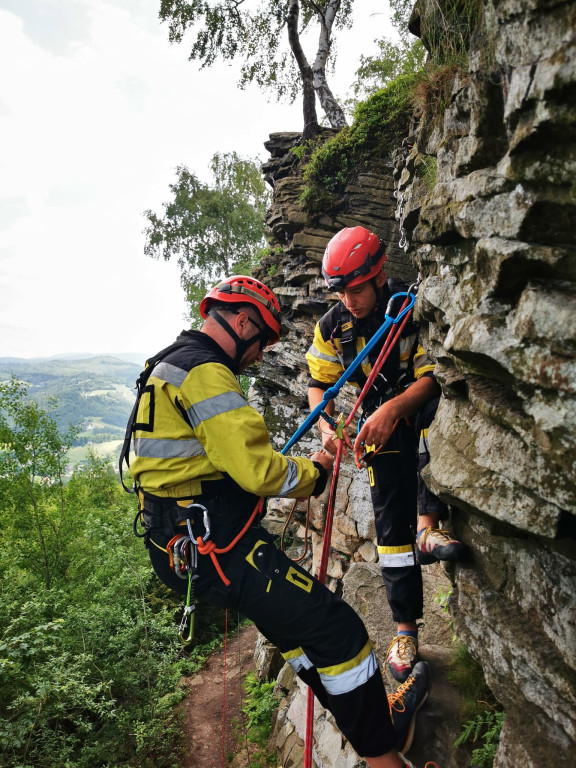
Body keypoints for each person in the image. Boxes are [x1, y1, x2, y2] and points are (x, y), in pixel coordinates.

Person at [125, 274, 437, 768]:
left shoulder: (165, 364)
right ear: (242, 320)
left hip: (185, 545)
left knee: (300, 639)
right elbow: (258, 470)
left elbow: (208, 459)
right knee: (341, 634)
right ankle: (385, 755)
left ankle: (369, 722)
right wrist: (315, 472)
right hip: (220, 550)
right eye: (264, 339)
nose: (260, 355)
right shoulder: (204, 372)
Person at [306, 227, 466, 683]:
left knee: (433, 418)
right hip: (375, 427)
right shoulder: (333, 327)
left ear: (378, 276)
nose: (350, 300)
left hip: (414, 411)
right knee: (388, 529)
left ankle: (429, 528)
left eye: (356, 289)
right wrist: (326, 424)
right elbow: (320, 380)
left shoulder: (407, 309)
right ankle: (405, 631)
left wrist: (392, 410)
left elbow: (433, 376)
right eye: (341, 291)